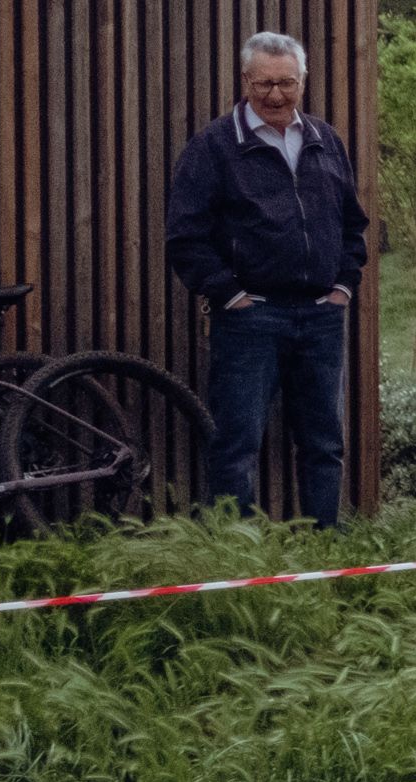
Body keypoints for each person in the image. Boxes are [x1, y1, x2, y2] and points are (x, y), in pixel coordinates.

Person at [166, 31, 369, 530]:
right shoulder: (213, 146)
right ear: (244, 81)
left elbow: (353, 225)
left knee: (324, 441)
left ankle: (327, 550)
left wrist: (342, 286)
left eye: (286, 83)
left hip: (320, 314)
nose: (276, 95)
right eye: (264, 84)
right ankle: (238, 559)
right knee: (237, 442)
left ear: (304, 80)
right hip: (251, 316)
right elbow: (185, 237)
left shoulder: (325, 139)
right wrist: (230, 295)